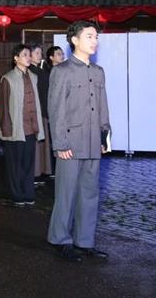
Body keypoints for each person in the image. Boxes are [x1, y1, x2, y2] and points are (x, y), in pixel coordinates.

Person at [47, 21, 110, 262]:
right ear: (74, 40)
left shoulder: (98, 71)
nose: (95, 41)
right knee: (66, 194)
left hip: (93, 141)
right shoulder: (62, 71)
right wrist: (60, 144)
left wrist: (104, 136)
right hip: (70, 143)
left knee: (90, 194)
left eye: (96, 37)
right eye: (89, 36)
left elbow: (103, 107)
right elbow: (56, 110)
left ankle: (85, 242)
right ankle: (60, 239)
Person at [0, 44, 44, 207]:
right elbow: (3, 106)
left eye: (29, 55)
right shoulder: (8, 78)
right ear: (16, 58)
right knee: (14, 164)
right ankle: (16, 194)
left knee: (28, 162)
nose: (28, 57)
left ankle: (28, 193)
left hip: (31, 127)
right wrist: (6, 129)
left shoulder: (34, 77)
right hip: (15, 127)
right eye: (24, 55)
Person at [28, 44, 52, 185]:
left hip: (43, 109)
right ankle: (36, 172)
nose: (39, 55)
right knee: (37, 143)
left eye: (40, 53)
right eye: (36, 53)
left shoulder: (41, 71)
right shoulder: (30, 72)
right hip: (35, 111)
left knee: (43, 143)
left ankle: (43, 170)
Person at [44, 45, 65, 176]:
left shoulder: (65, 71)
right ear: (51, 57)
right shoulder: (49, 73)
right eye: (58, 54)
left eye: (62, 53)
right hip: (53, 111)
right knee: (53, 140)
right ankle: (53, 168)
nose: (62, 56)